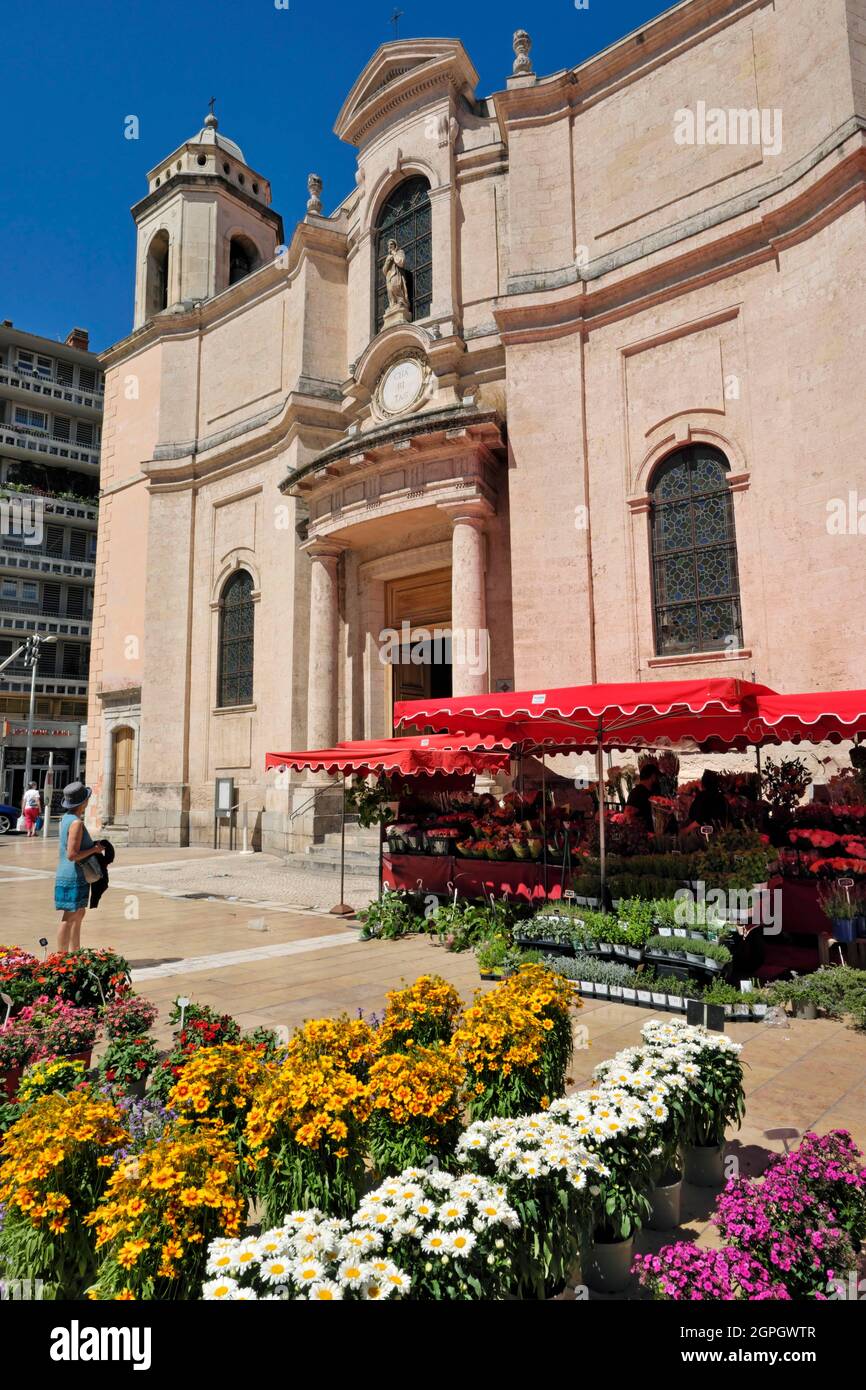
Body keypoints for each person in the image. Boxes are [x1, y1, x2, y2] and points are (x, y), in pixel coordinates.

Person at [54, 782, 105, 953]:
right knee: (69, 916)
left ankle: (75, 952)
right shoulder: (76, 823)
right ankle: (61, 958)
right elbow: (72, 854)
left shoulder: (66, 819)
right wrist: (95, 849)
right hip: (73, 875)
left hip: (71, 873)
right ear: (83, 802)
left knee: (79, 913)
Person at [683, 769, 730, 834]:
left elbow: (700, 819)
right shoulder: (723, 798)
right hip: (722, 834)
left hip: (704, 834)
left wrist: (686, 830)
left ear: (704, 782)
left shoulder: (703, 797)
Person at [625, 761, 660, 832]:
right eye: (656, 776)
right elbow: (628, 814)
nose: (657, 779)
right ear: (653, 776)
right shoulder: (637, 792)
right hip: (645, 835)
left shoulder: (651, 791)